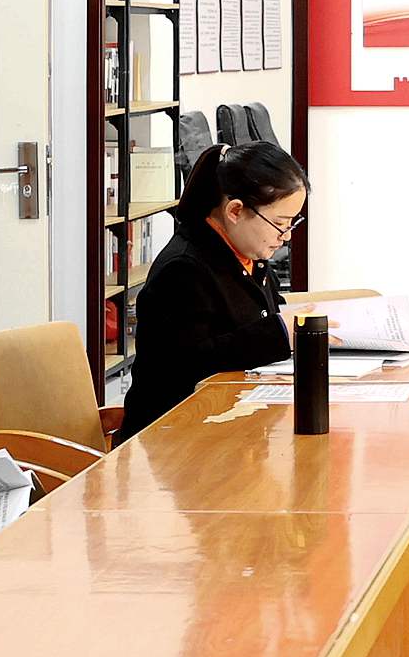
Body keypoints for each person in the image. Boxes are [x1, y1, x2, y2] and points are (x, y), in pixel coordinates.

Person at [122, 141, 308, 437]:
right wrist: (279, 333)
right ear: (235, 210)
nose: (284, 237)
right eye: (279, 223)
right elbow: (191, 365)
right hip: (175, 436)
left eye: (291, 224)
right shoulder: (183, 269)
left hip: (234, 421)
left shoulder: (249, 254)